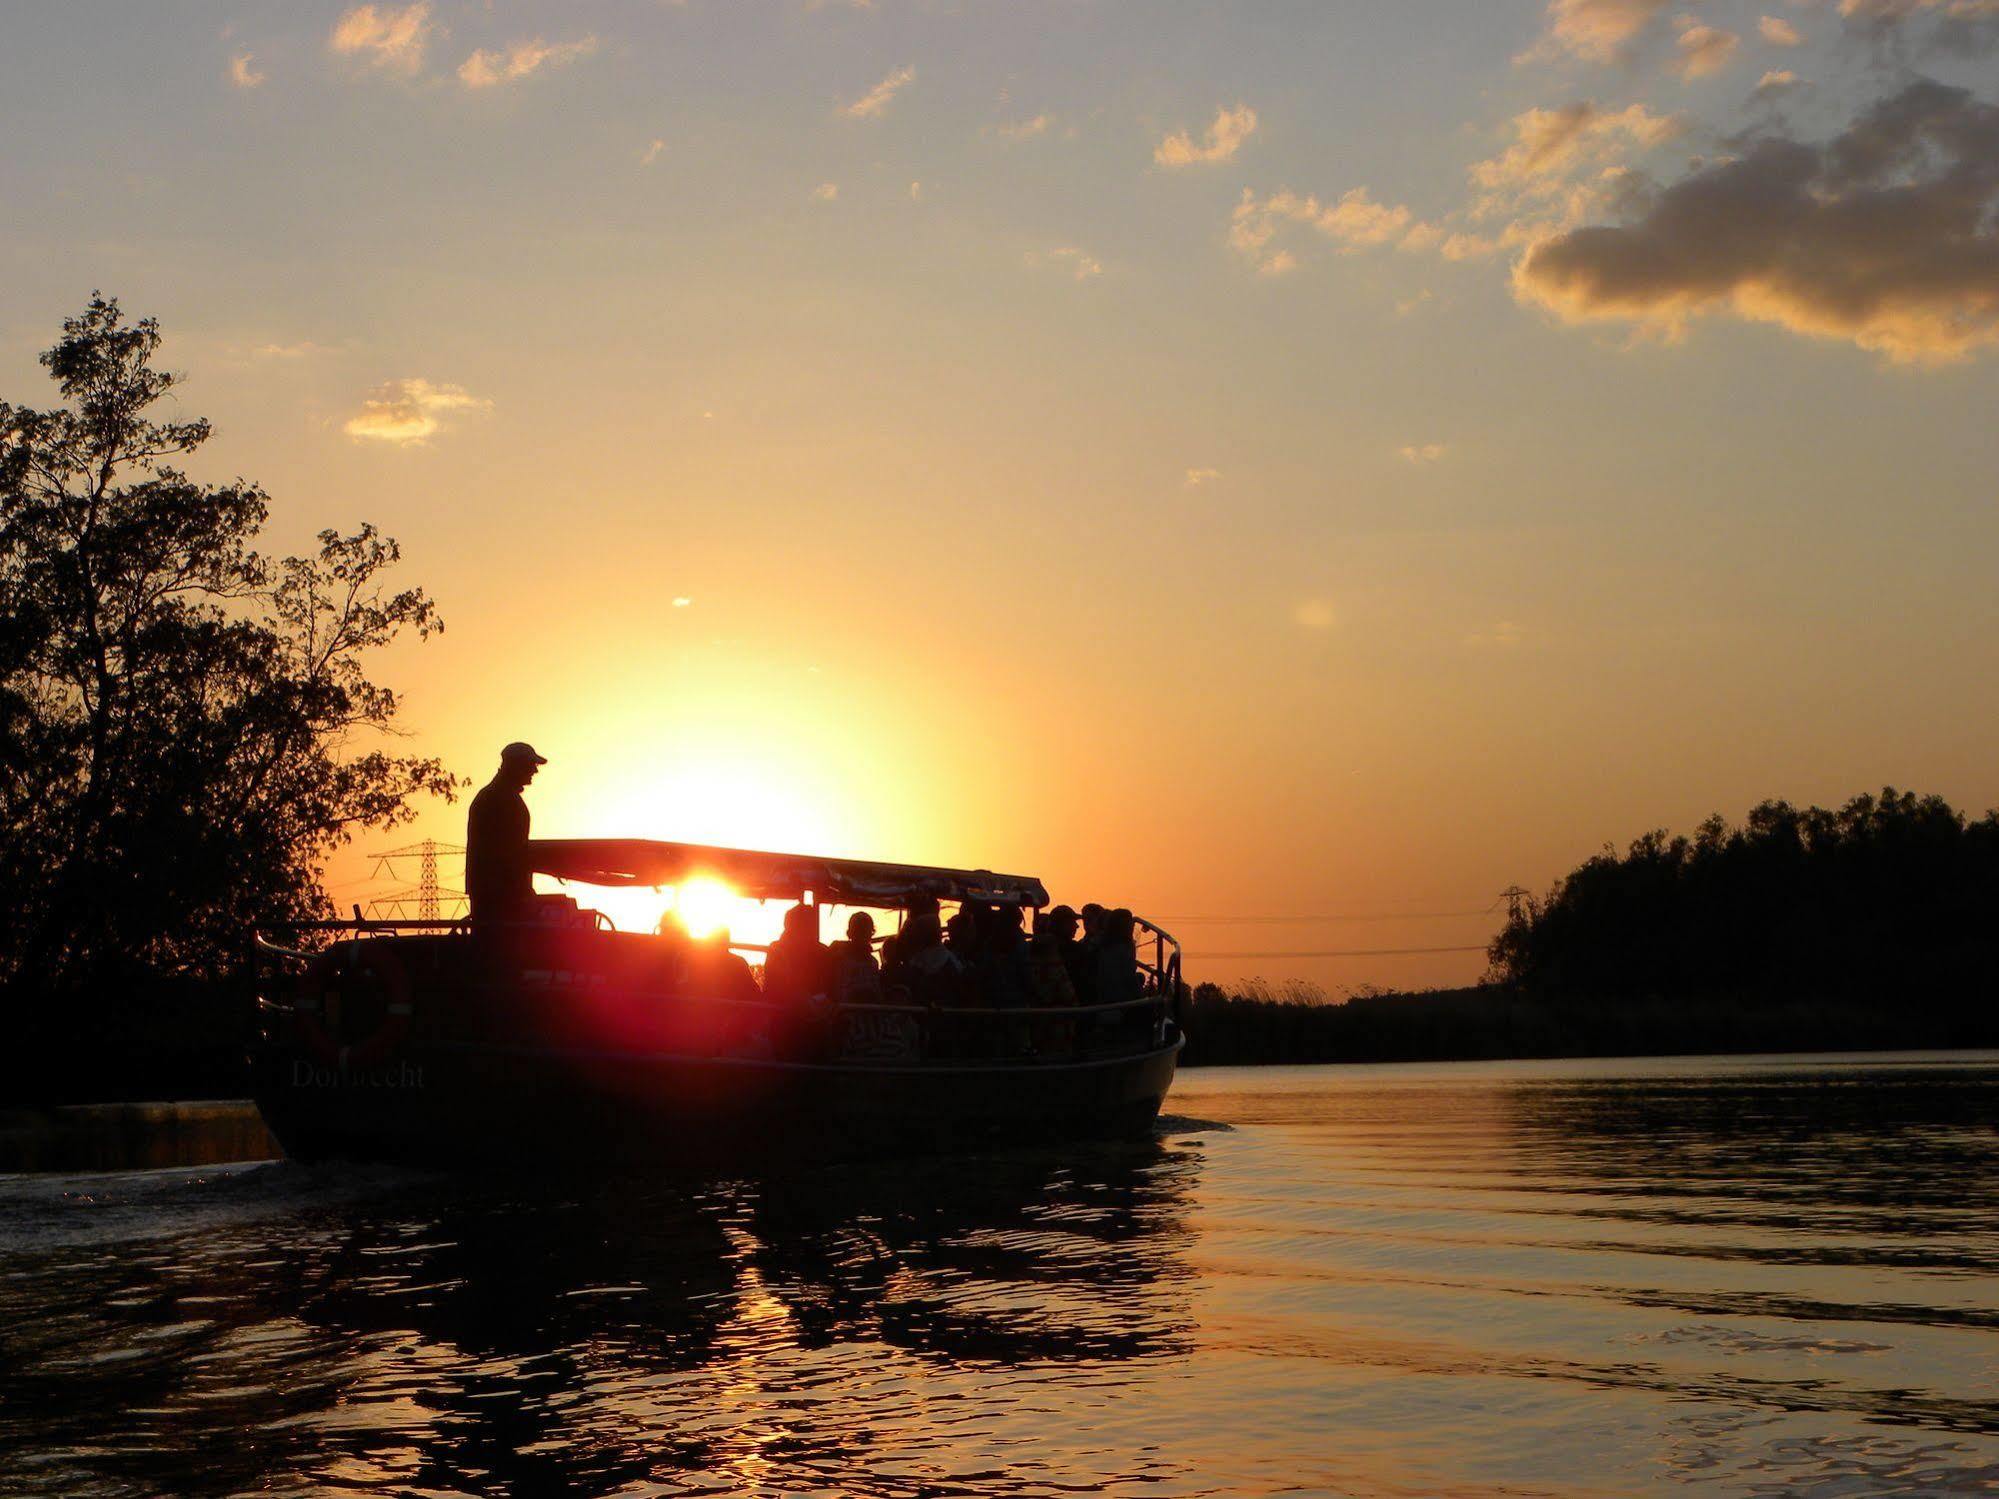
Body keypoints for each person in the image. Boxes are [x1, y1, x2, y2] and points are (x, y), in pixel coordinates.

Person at [465, 741, 545, 925]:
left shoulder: (497, 796)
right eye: (531, 765)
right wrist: (523, 893)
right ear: (516, 766)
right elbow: (507, 854)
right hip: (500, 899)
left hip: (499, 895)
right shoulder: (500, 799)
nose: (535, 771)